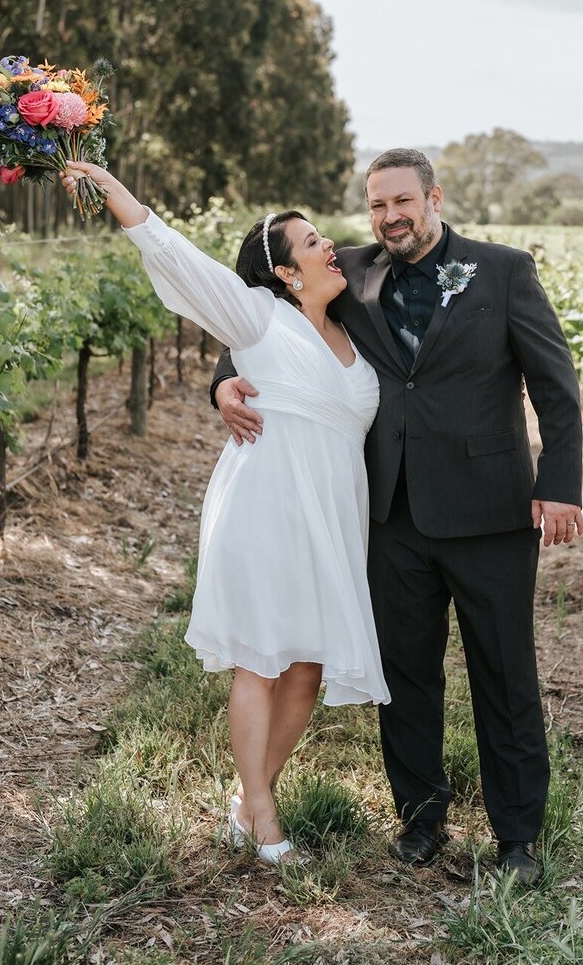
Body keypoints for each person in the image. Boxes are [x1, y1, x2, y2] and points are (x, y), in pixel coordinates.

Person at [212, 148, 583, 883]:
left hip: (491, 514)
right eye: (378, 205)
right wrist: (223, 384)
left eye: (402, 202)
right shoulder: (349, 271)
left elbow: (555, 381)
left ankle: (517, 839)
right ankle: (421, 820)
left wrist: (562, 484)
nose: (390, 217)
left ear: (433, 197)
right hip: (391, 515)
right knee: (407, 674)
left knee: (504, 675)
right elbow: (269, 321)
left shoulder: (503, 270)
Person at [60, 161, 390, 865]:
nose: (328, 244)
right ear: (284, 272)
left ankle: (246, 802)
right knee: (261, 660)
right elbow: (177, 256)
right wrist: (116, 192)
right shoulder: (257, 315)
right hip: (267, 504)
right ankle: (264, 818)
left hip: (332, 517)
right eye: (309, 242)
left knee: (307, 665)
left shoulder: (357, 337)